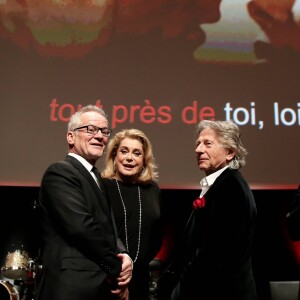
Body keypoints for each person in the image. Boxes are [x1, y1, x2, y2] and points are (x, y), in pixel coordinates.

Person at [36, 105, 133, 300]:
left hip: (98, 287)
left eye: (104, 131)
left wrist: (124, 255)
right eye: (90, 129)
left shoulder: (97, 179)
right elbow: (81, 228)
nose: (99, 136)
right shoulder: (60, 172)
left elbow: (108, 228)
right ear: (70, 137)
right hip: (71, 287)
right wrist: (115, 268)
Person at [170, 120, 258, 300]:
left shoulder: (231, 188)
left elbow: (215, 255)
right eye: (198, 143)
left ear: (230, 152)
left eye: (207, 143)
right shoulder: (224, 184)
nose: (198, 149)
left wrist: (180, 291)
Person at [101, 128, 163, 300]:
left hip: (141, 278)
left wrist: (138, 264)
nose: (130, 158)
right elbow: (98, 233)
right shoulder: (102, 186)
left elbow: (157, 236)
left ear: (144, 160)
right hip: (108, 277)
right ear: (114, 156)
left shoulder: (152, 189)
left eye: (137, 153)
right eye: (124, 151)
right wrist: (117, 273)